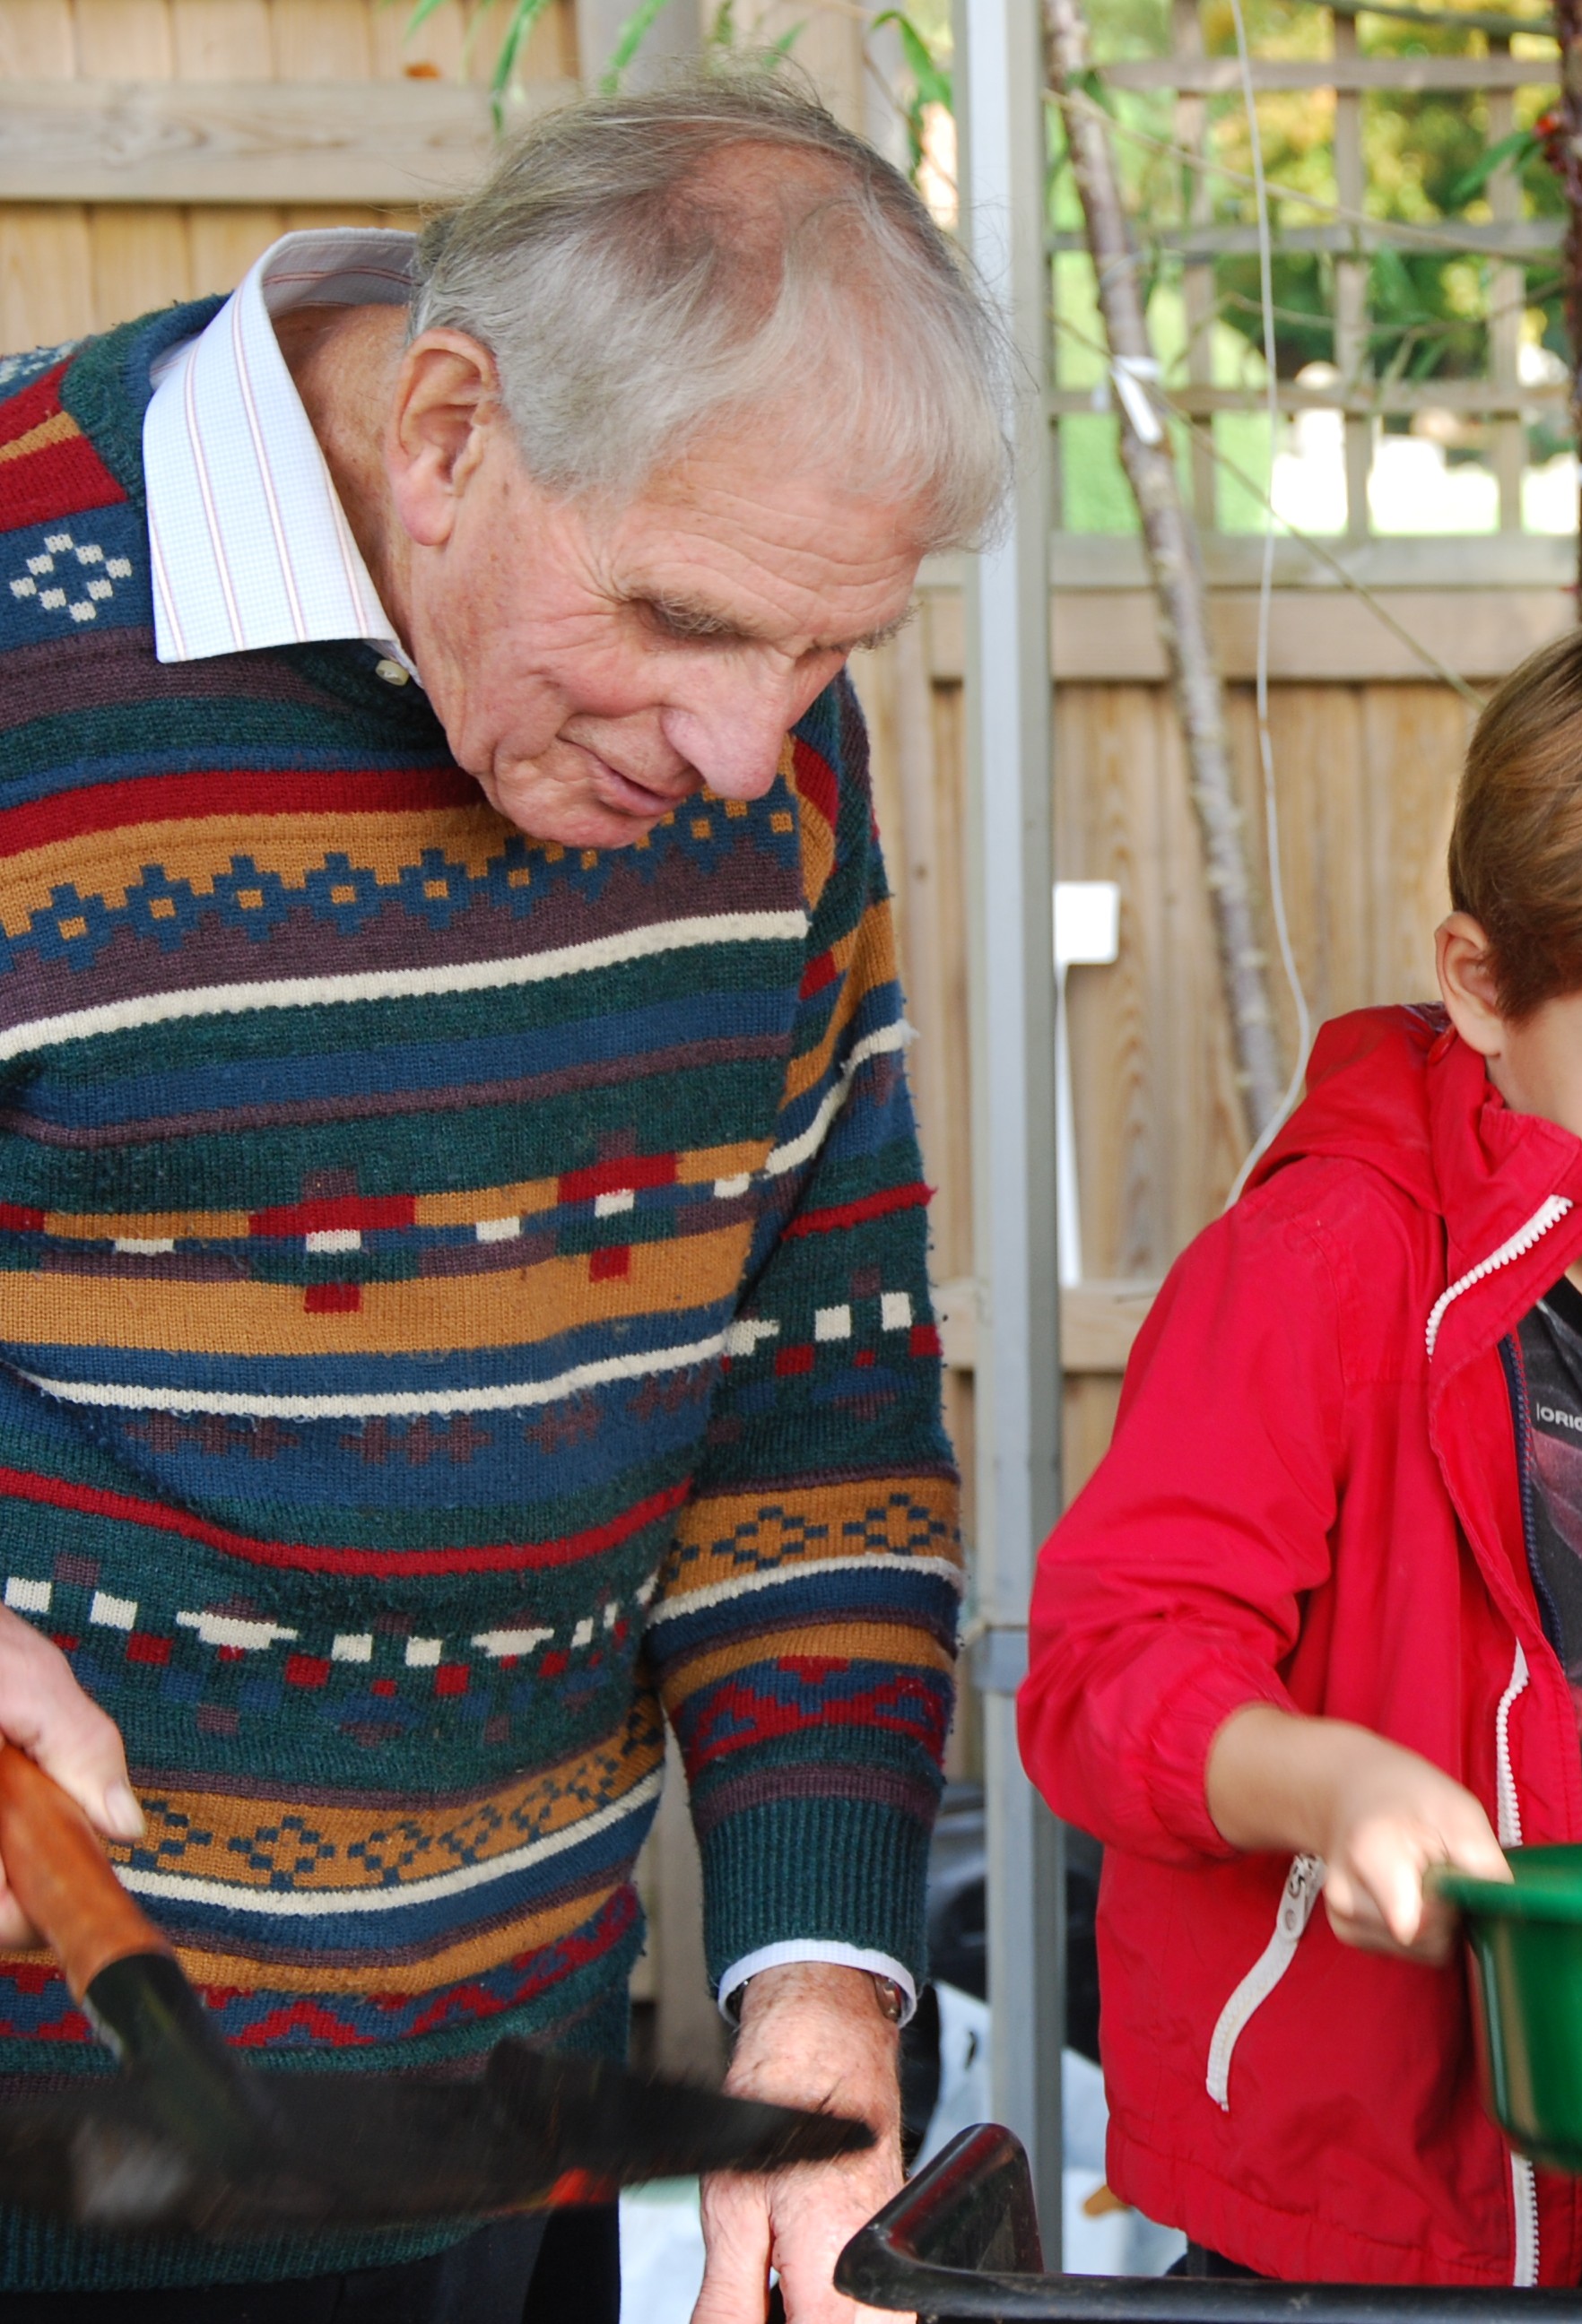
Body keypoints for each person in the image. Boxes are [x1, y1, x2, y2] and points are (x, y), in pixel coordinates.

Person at [0, 69, 997, 2324]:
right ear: (446, 432)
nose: (751, 750)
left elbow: (811, 1417)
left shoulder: (755, 747)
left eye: (828, 647)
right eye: (687, 620)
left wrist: (817, 1986)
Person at [1019, 624, 1582, 2289]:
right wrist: (1329, 1785)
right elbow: (1106, 1673)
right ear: (1478, 984)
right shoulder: (1322, 1265)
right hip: (1363, 2202)